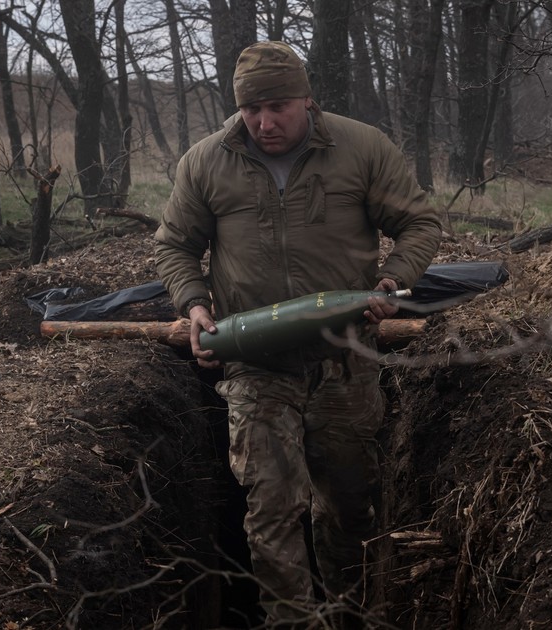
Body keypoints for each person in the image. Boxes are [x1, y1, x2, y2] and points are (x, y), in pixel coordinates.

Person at [154, 41, 442, 624]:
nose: (264, 122)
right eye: (251, 109)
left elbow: (419, 222)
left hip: (344, 361)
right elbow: (175, 246)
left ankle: (349, 615)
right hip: (255, 362)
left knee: (349, 510)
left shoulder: (361, 148)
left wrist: (393, 280)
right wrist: (195, 304)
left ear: (307, 99)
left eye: (278, 107)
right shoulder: (205, 162)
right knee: (271, 512)